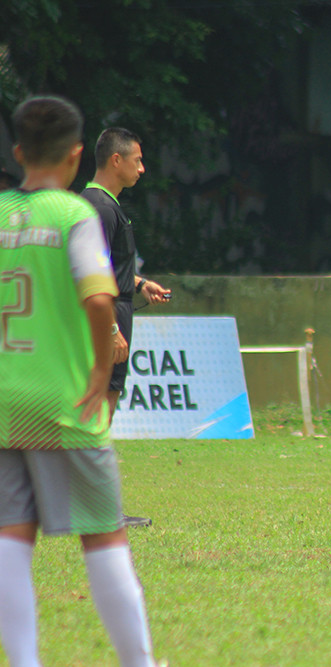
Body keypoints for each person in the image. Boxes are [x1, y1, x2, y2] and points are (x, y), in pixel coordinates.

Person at [0, 95, 157, 666]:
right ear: (73, 156)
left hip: (5, 405)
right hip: (64, 402)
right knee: (103, 535)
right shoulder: (73, 215)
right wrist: (100, 366)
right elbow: (98, 298)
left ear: (18, 153)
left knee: (11, 539)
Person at [81, 127, 170, 528]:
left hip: (114, 308)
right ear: (115, 160)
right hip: (107, 317)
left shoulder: (104, 205)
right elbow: (88, 269)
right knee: (100, 412)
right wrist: (111, 330)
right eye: (137, 160)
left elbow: (106, 264)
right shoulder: (99, 207)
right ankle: (97, 510)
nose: (142, 168)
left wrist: (137, 282)